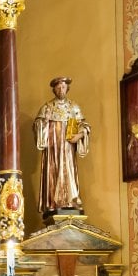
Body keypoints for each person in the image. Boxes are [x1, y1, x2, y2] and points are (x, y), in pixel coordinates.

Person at [33, 76, 91, 218]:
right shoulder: (47, 107)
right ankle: (53, 203)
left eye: (63, 87)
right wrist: (45, 121)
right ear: (54, 90)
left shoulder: (73, 107)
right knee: (53, 170)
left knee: (68, 170)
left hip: (68, 148)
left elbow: (84, 124)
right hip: (53, 148)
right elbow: (37, 126)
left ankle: (71, 201)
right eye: (58, 87)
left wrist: (80, 135)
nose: (61, 90)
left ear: (67, 89)